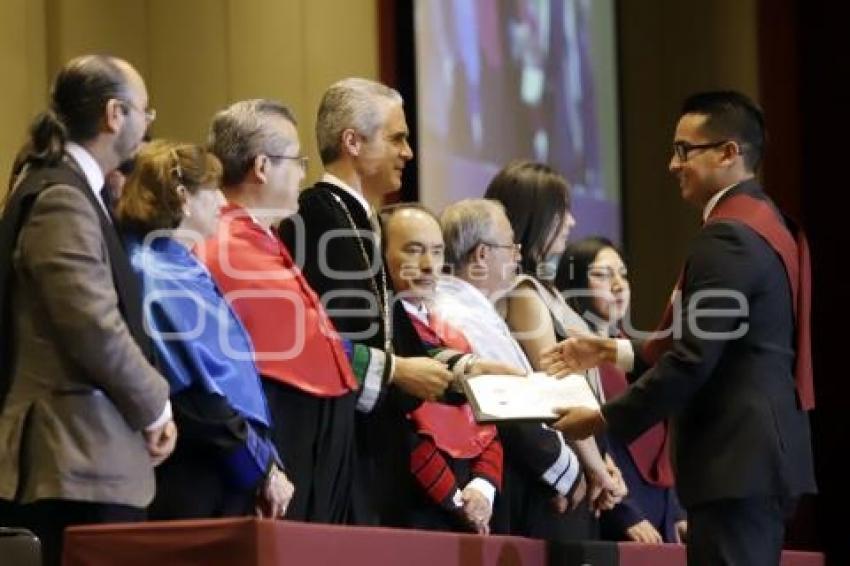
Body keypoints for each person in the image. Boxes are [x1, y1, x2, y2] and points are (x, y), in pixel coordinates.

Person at [545, 91, 816, 565]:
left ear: (729, 152)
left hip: (736, 462)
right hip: (754, 461)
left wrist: (603, 420)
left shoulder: (728, 235)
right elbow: (713, 343)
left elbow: (693, 358)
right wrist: (611, 351)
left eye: (684, 150)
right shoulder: (766, 221)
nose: (673, 164)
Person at [201, 99, 448, 524]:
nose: (303, 171)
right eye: (296, 160)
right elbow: (290, 351)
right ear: (262, 167)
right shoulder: (227, 245)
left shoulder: (261, 239)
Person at [0, 55, 175, 566]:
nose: (148, 125)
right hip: (73, 459)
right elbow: (91, 325)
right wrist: (156, 404)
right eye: (146, 112)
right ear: (114, 114)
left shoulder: (75, 189)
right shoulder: (63, 197)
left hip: (85, 457)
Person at [278, 78, 453, 525]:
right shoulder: (317, 216)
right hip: (343, 450)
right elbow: (322, 341)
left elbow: (396, 330)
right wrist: (398, 371)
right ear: (352, 142)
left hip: (372, 449)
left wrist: (469, 369)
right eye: (397, 138)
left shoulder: (363, 221)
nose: (408, 152)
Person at [115, 140, 294, 520]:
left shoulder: (178, 262)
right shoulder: (155, 270)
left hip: (222, 462)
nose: (221, 202)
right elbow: (196, 393)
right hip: (194, 468)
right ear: (183, 197)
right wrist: (259, 468)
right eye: (210, 190)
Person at [432, 198, 614, 540]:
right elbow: (511, 409)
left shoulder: (476, 308)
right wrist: (569, 472)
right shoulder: (457, 314)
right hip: (515, 487)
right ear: (482, 255)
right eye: (509, 246)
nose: (518, 255)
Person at [483, 162, 625, 541]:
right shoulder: (525, 294)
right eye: (562, 211)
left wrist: (604, 463)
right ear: (537, 215)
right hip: (554, 482)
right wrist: (596, 468)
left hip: (580, 468)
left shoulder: (548, 292)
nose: (572, 222)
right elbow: (558, 391)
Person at [382, 204, 520, 534]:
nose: (430, 266)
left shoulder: (452, 334)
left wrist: (483, 490)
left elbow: (488, 427)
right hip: (412, 512)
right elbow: (400, 431)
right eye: (414, 251)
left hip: (472, 508)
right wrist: (457, 501)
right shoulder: (384, 334)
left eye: (437, 251)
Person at [556, 236, 686, 544]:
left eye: (623, 274)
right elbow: (595, 444)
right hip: (613, 507)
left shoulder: (638, 354)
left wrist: (677, 512)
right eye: (602, 275)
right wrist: (625, 513)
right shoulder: (570, 357)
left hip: (659, 508)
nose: (619, 285)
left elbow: (662, 443)